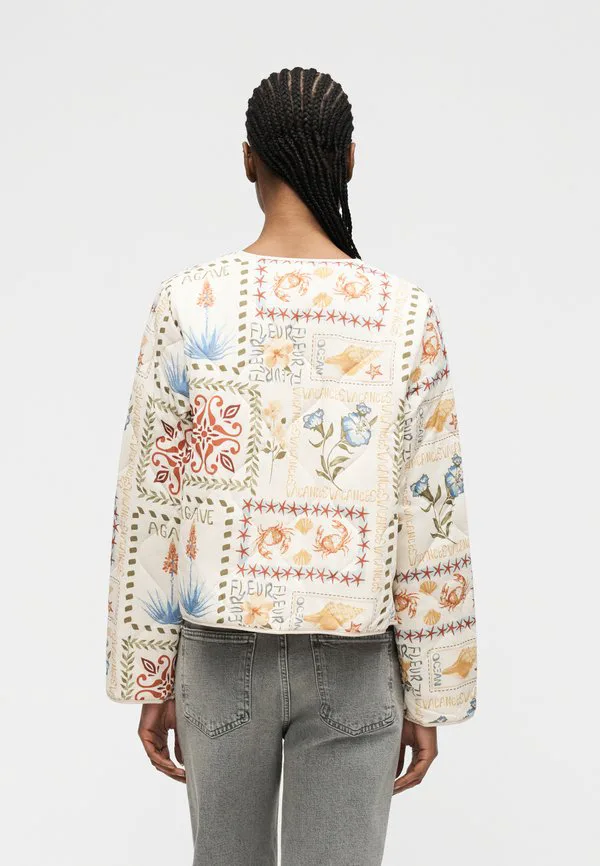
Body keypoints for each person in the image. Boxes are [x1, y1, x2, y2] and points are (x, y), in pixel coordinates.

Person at [105, 66, 477, 866]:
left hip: (217, 657)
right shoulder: (403, 313)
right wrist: (431, 687)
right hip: (356, 662)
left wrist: (151, 674)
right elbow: (431, 510)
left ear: (248, 160)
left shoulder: (189, 302)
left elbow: (154, 499)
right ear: (351, 160)